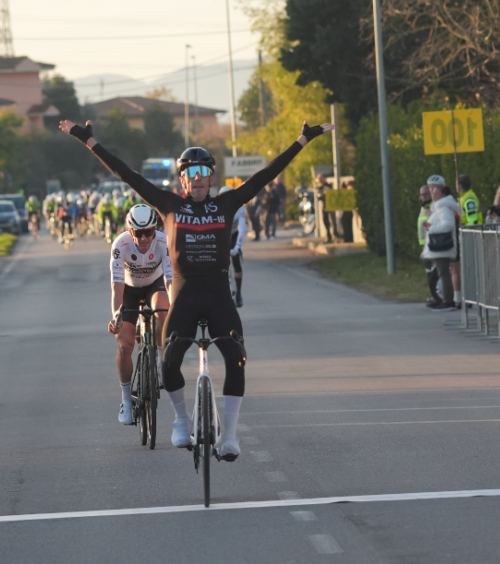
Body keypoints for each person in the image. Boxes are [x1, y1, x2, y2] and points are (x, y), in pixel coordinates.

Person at [60, 117, 333, 459]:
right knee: (169, 360)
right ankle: (180, 421)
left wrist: (302, 140)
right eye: (190, 174)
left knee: (236, 357)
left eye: (203, 172)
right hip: (185, 296)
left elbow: (265, 177)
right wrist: (89, 141)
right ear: (182, 180)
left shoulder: (227, 203)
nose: (198, 179)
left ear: (211, 176)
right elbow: (126, 174)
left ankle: (230, 435)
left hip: (218, 294)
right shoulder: (170, 204)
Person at [107, 205, 173, 425]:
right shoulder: (120, 245)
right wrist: (116, 315)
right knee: (124, 344)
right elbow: (116, 288)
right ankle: (126, 400)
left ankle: (160, 360)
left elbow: (170, 281)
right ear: (129, 230)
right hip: (129, 290)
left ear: (155, 229)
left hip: (155, 284)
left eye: (149, 232)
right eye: (138, 233)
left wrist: (175, 307)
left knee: (163, 309)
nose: (144, 238)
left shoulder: (163, 242)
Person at [421, 176, 460, 311]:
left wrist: (430, 228)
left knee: (443, 274)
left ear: (443, 194)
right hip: (439, 247)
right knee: (440, 274)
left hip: (442, 247)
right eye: (432, 193)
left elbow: (448, 225)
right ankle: (442, 299)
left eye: (436, 193)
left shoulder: (443, 207)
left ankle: (448, 301)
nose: (433, 195)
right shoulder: (439, 207)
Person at [219, 185, 247, 307]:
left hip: (234, 235)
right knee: (221, 266)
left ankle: (239, 294)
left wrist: (237, 247)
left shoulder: (239, 208)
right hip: (222, 236)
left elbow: (242, 229)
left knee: (236, 264)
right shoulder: (217, 208)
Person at [417, 184, 441, 307]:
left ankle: (438, 296)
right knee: (428, 272)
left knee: (434, 272)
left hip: (432, 244)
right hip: (424, 244)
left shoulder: (433, 207)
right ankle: (433, 295)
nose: (424, 197)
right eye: (422, 195)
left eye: (426, 194)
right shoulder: (423, 208)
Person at [316, 173, 337, 243]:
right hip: (324, 206)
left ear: (324, 178)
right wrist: (322, 195)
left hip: (330, 206)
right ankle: (328, 235)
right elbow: (318, 197)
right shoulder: (320, 188)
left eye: (320, 178)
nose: (319, 180)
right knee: (325, 221)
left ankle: (335, 235)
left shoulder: (329, 185)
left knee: (332, 221)